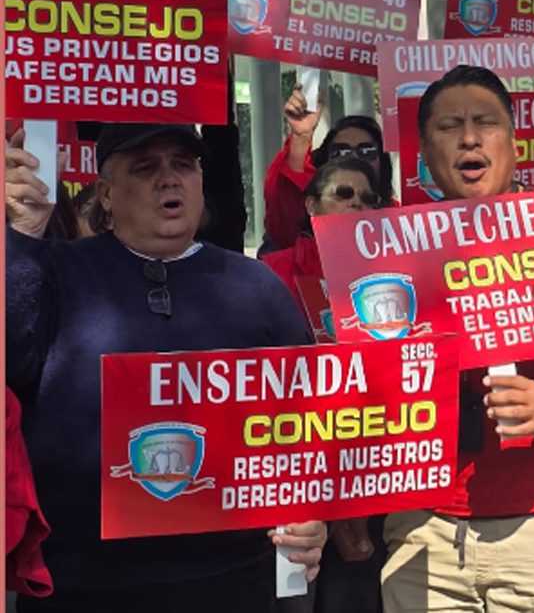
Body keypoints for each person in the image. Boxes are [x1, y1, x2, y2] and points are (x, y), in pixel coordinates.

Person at [5, 123, 327, 613]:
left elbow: (308, 425)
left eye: (183, 164)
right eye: (145, 167)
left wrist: (310, 517)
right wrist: (21, 239)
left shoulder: (256, 286)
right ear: (106, 194)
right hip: (80, 586)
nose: (169, 178)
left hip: (233, 581)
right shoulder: (51, 270)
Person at [362, 65, 534, 612]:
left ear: (514, 142)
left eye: (484, 123)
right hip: (425, 531)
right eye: (449, 126)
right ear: (423, 149)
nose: (469, 138)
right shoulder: (386, 256)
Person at [264, 85, 393, 252]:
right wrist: (301, 137)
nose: (353, 158)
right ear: (312, 205)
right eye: (341, 151)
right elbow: (285, 216)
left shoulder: (401, 224)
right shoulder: (298, 247)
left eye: (366, 151)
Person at [261, 156, 379, 298]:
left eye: (367, 198)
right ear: (312, 205)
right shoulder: (272, 270)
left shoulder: (391, 269)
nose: (356, 202)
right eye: (342, 193)